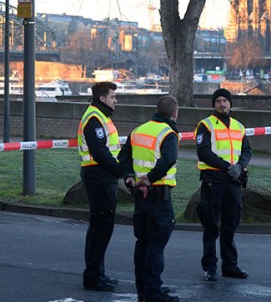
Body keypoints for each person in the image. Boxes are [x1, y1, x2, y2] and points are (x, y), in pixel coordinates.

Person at [118, 95, 181, 302]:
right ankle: (154, 291)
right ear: (174, 113)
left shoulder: (138, 130)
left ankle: (143, 290)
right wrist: (150, 178)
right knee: (156, 245)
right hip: (158, 195)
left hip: (140, 197)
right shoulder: (168, 133)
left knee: (142, 243)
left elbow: (124, 156)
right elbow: (169, 159)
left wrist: (129, 176)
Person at [195, 88, 252, 282]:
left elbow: (247, 151)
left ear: (230, 104)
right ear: (214, 104)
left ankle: (230, 266)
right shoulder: (206, 125)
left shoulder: (239, 126)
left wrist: (240, 165)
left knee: (230, 226)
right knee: (211, 227)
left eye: (225, 101)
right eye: (218, 101)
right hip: (213, 181)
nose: (222, 104)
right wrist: (228, 167)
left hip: (233, 183)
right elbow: (203, 152)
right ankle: (210, 267)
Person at [77, 81, 121, 292]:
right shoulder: (95, 119)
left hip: (102, 176)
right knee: (100, 228)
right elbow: (100, 152)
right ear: (103, 98)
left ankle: (97, 274)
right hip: (99, 176)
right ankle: (93, 277)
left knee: (100, 227)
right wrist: (120, 170)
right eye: (113, 97)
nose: (116, 100)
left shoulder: (100, 117)